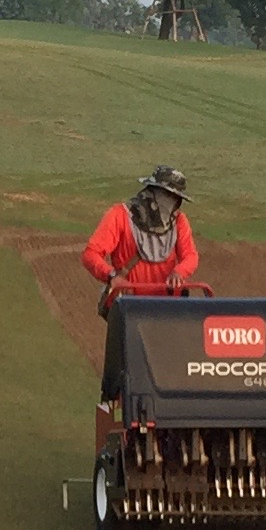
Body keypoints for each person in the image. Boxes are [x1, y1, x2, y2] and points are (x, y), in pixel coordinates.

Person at [82, 165, 199, 400]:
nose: (172, 203)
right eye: (169, 196)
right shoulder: (120, 215)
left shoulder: (180, 222)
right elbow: (91, 253)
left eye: (176, 198)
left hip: (166, 311)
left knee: (171, 370)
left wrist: (179, 271)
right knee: (129, 370)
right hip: (130, 309)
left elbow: (191, 256)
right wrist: (111, 275)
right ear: (153, 192)